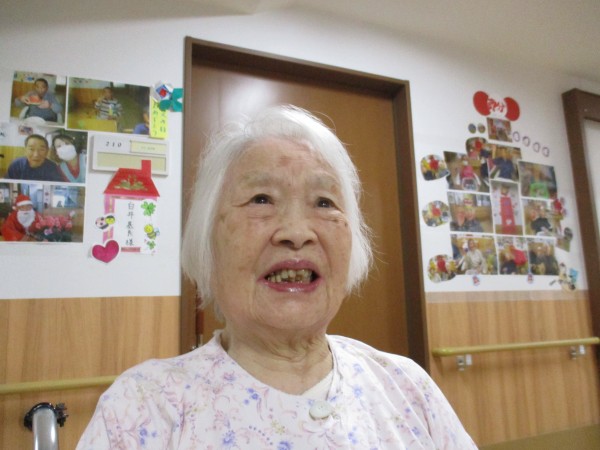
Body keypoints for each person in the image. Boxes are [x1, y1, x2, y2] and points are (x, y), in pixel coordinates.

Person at [77, 106, 477, 449]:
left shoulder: (407, 386)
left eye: (324, 202)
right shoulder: (140, 407)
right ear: (208, 239)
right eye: (261, 199)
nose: (297, 232)